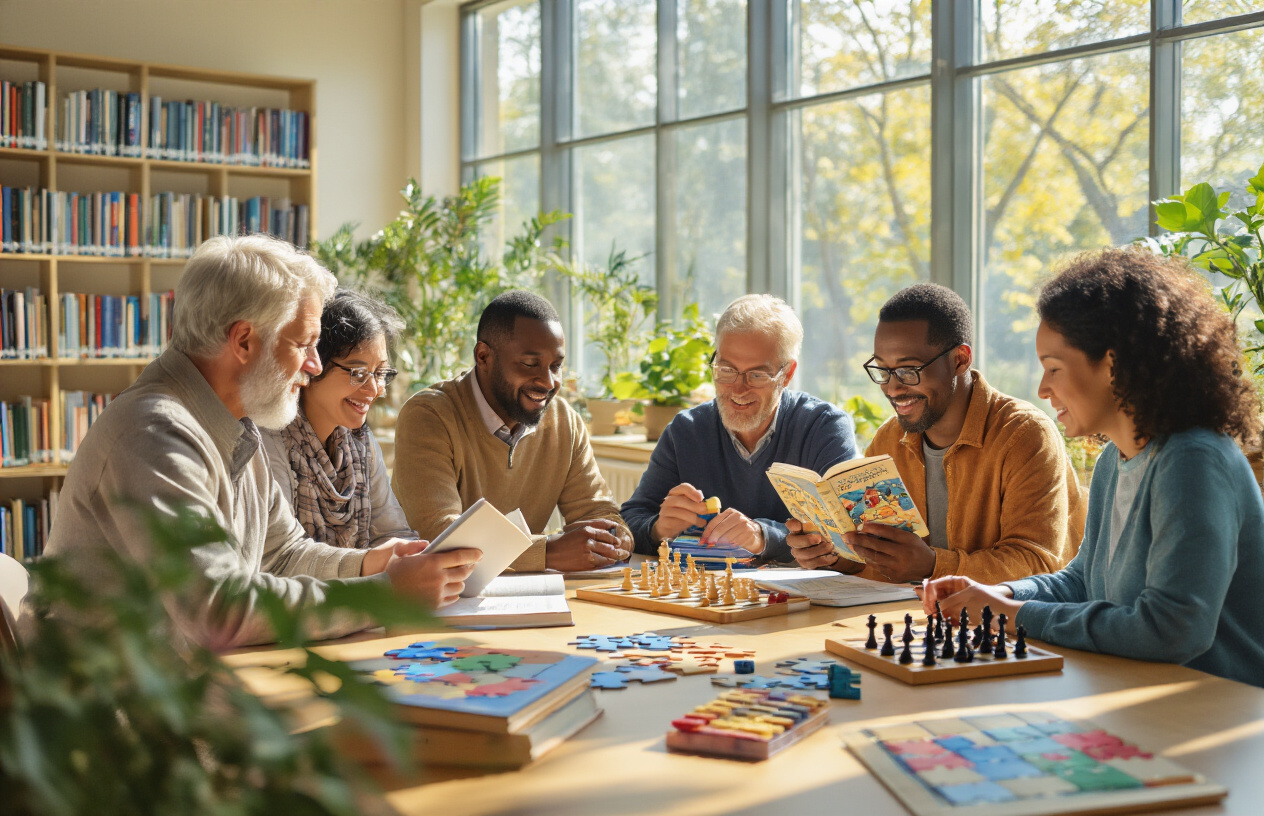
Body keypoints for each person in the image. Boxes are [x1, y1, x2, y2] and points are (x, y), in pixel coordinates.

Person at [32, 235, 478, 649]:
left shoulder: (236, 426)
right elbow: (219, 610)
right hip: (116, 719)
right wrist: (385, 595)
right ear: (244, 341)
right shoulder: (153, 434)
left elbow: (282, 554)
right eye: (304, 343)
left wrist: (373, 564)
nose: (314, 365)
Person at [922, 248, 1264, 686]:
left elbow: (1171, 631)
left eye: (1054, 368)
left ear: (1114, 363)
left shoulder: (1192, 461)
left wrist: (1013, 615)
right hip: (1140, 698)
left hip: (1216, 715)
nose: (1044, 388)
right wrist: (999, 594)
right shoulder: (1113, 461)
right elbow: (1082, 581)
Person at [787, 283, 1085, 583]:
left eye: (908, 370)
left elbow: (1038, 562)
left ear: (960, 360)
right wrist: (834, 556)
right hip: (915, 619)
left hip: (1007, 625)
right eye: (882, 370)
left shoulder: (1024, 435)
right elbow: (880, 561)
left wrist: (933, 565)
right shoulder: (888, 440)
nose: (892, 388)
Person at [261, 290, 477, 609]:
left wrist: (418, 560)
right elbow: (279, 564)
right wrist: (379, 569)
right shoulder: (269, 440)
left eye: (380, 373)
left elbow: (391, 534)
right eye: (358, 372)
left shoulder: (359, 442)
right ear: (312, 365)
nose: (374, 389)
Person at [392, 290, 632, 572]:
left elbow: (601, 514)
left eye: (556, 366)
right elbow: (441, 537)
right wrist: (548, 552)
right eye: (530, 364)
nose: (548, 381)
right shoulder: (429, 416)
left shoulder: (565, 421)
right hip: (434, 602)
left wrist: (613, 538)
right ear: (483, 356)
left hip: (525, 600)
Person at [620, 294, 858, 560]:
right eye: (726, 369)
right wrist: (658, 530)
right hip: (705, 595)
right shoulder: (686, 431)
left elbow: (848, 536)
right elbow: (629, 521)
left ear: (787, 374)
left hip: (800, 598)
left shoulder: (824, 427)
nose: (738, 389)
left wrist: (762, 537)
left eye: (756, 375)